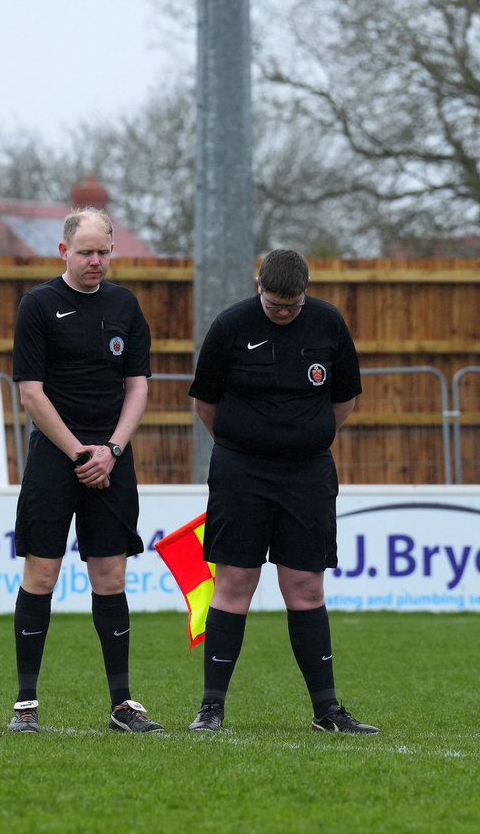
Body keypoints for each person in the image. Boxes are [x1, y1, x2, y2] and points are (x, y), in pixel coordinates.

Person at [186, 249, 379, 735]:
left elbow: (345, 400)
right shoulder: (230, 326)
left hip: (307, 475)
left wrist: (303, 439)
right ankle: (211, 710)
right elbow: (205, 403)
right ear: (258, 287)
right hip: (240, 473)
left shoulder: (329, 325)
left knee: (306, 587)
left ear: (306, 292)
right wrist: (244, 444)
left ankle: (326, 711)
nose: (284, 313)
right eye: (275, 305)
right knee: (234, 583)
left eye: (292, 306)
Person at [8, 207, 162, 734]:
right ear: (64, 252)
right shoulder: (38, 305)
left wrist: (112, 451)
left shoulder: (125, 305)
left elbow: (138, 384)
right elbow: (31, 392)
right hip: (57, 457)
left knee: (111, 576)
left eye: (103, 252)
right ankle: (25, 704)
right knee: (42, 574)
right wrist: (79, 452)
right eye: (86, 252)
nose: (96, 261)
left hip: (111, 459)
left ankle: (122, 705)